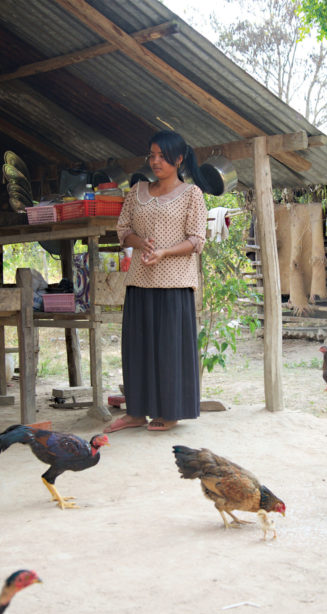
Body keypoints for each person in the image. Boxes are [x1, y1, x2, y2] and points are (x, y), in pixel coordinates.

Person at [105, 131, 210, 433]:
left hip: (175, 285)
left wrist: (164, 252)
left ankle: (171, 412)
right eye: (152, 155)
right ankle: (136, 412)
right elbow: (123, 229)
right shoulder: (137, 190)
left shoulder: (192, 195)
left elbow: (196, 241)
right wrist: (141, 244)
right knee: (137, 350)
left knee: (168, 352)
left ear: (178, 159)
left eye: (162, 156)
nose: (156, 161)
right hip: (139, 281)